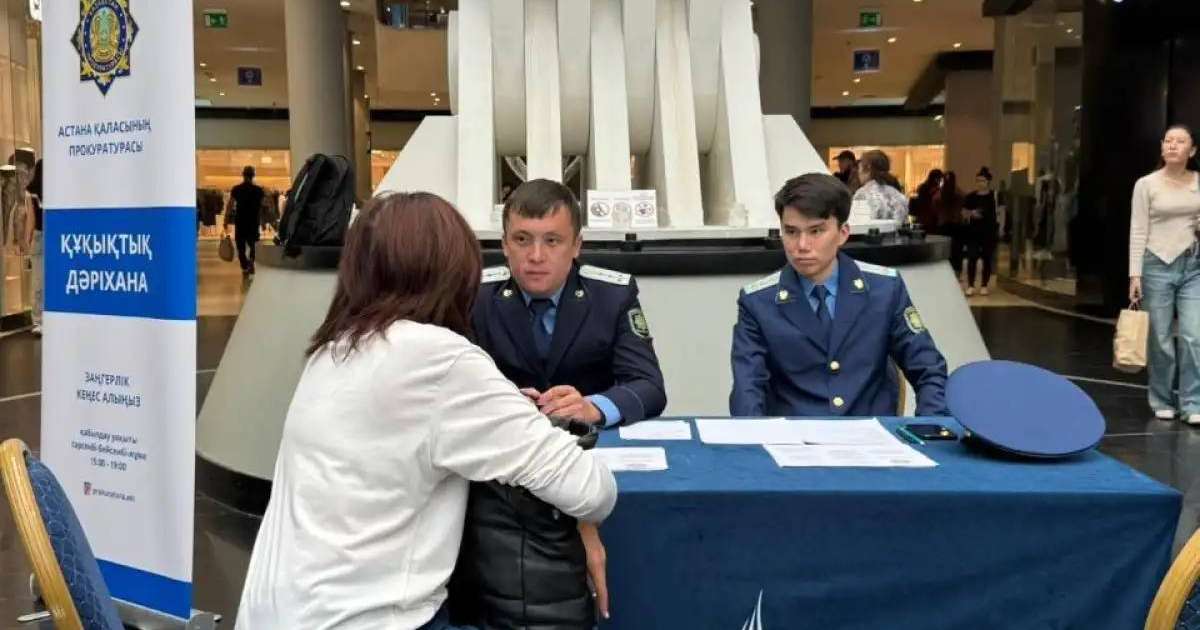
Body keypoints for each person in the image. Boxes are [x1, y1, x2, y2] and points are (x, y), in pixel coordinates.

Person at [235, 192, 617, 630]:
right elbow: (591, 488)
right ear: (457, 270)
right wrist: (524, 419)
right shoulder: (441, 359)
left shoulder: (334, 349)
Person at [454, 179, 666, 628]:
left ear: (577, 246)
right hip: (504, 475)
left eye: (552, 241)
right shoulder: (476, 297)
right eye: (522, 240)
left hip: (589, 463)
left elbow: (648, 386)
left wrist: (594, 405)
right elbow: (453, 392)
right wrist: (501, 402)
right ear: (504, 245)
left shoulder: (612, 296)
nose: (535, 256)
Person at [730, 173, 949, 417]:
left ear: (843, 233)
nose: (801, 245)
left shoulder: (884, 290)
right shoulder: (758, 302)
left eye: (816, 231)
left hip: (872, 443)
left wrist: (928, 433)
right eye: (791, 232)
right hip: (793, 444)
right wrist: (753, 445)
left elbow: (928, 368)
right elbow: (747, 389)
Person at [1128, 124, 1200, 424]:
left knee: (1194, 336)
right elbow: (1138, 229)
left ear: (1191, 151)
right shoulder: (1146, 184)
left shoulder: (1198, 182)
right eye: (1168, 141)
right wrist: (1135, 274)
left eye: (1180, 141)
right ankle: (1161, 399)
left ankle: (1193, 403)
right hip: (1155, 265)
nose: (1172, 145)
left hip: (1193, 265)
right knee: (1159, 338)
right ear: (1162, 148)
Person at [962, 167, 999, 296]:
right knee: (972, 258)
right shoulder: (971, 196)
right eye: (978, 180)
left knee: (987, 259)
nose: (980, 183)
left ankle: (984, 285)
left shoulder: (993, 196)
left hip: (989, 232)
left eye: (982, 180)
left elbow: (999, 213)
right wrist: (971, 213)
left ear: (988, 181)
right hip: (973, 232)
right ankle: (971, 285)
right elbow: (964, 212)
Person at [224, 165, 265, 275]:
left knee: (240, 246)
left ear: (243, 175)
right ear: (253, 176)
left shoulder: (236, 189)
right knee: (253, 244)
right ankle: (251, 261)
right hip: (253, 221)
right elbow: (263, 207)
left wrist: (226, 219)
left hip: (241, 221)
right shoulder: (259, 190)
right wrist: (263, 221)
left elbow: (230, 205)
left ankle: (245, 265)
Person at [852, 149, 909, 225]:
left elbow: (857, 226)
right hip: (897, 236)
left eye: (859, 169)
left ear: (868, 168)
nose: (858, 174)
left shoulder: (862, 195)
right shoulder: (899, 195)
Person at [936, 171, 965, 281]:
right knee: (957, 249)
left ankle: (947, 272)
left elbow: (935, 204)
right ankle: (957, 272)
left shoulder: (940, 194)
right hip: (956, 223)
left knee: (945, 249)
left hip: (943, 224)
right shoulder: (958, 193)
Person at [26, 159, 43, 336]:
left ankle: (38, 321)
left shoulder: (31, 192)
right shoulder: (56, 191)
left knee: (37, 281)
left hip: (38, 236)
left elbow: (31, 220)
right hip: (55, 237)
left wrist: (26, 240)